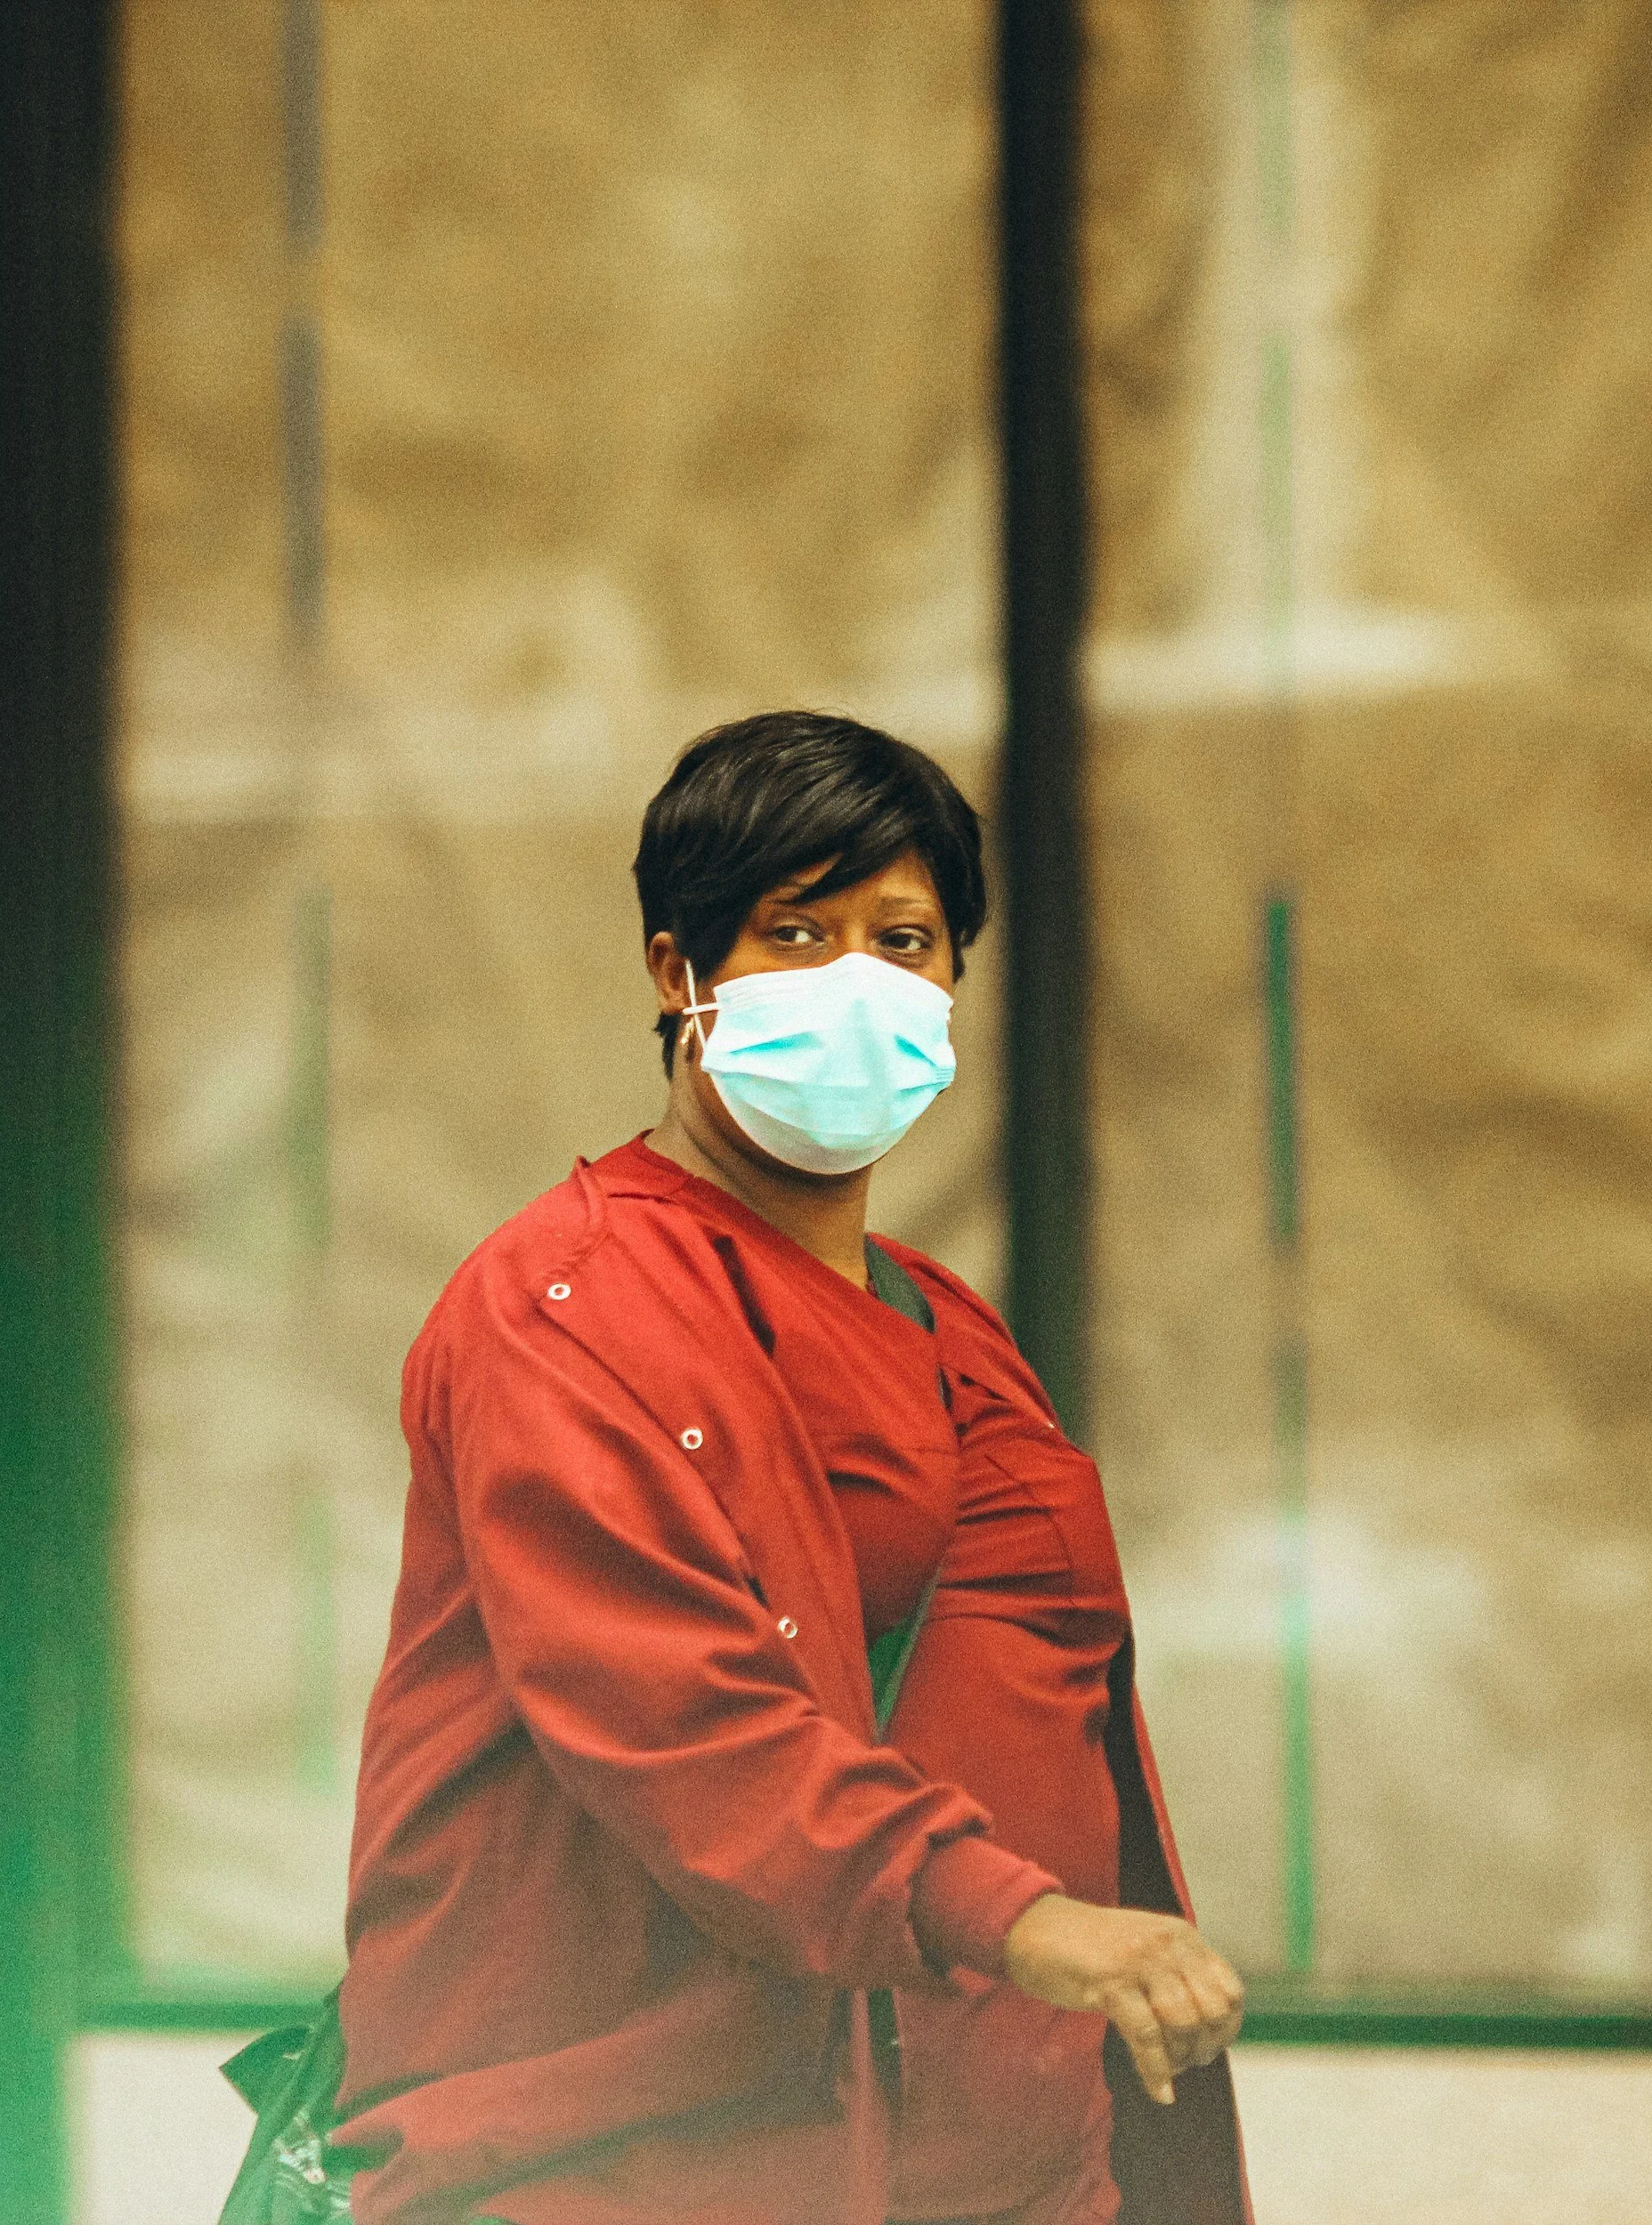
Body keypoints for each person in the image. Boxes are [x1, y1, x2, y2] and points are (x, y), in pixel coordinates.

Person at [331, 712, 1252, 2225]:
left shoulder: (944, 1320)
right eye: (793, 931)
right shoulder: (564, 1302)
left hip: (990, 2143)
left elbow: (1058, 1704)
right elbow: (681, 1722)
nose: (854, 983)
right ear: (674, 971)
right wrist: (1022, 1922)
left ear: (956, 974)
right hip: (643, 2148)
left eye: (902, 937)